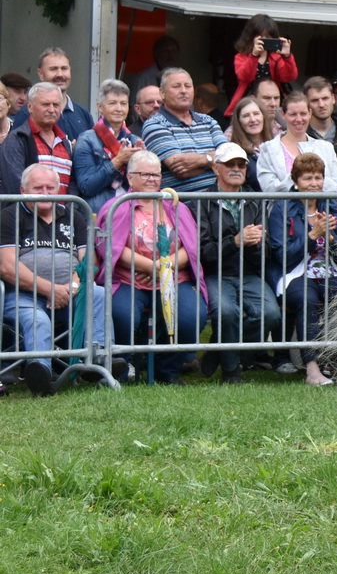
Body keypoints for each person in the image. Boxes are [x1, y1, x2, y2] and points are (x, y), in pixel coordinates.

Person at [2, 163, 118, 395]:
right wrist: (49, 289)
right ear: (23, 190)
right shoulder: (8, 216)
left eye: (50, 187)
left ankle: (99, 362)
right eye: (38, 188)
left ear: (59, 190)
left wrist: (71, 287)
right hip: (23, 295)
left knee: (97, 293)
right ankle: (41, 375)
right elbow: (7, 267)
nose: (45, 193)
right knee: (38, 320)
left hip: (69, 294)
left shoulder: (73, 214)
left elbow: (90, 262)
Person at [96, 151, 208, 384]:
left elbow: (192, 245)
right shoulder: (116, 206)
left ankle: (166, 370)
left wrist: (164, 268)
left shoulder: (175, 205)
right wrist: (151, 267)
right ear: (129, 177)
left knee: (192, 316)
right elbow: (109, 245)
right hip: (129, 278)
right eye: (144, 174)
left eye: (156, 175)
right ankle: (124, 366)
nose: (151, 180)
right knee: (121, 314)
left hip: (175, 277)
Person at [199, 143, 283, 383]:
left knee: (270, 314)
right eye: (230, 164)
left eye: (241, 165)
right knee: (226, 312)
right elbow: (203, 252)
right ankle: (231, 371)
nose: (237, 169)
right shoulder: (201, 201)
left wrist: (257, 244)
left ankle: (220, 347)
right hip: (215, 274)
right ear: (216, 168)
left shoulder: (255, 201)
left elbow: (264, 255)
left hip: (249, 273)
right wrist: (235, 241)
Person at [268, 154, 337, 386]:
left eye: (318, 177)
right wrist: (313, 235)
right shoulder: (282, 208)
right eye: (307, 178)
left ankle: (335, 360)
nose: (313, 183)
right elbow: (282, 255)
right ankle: (312, 369)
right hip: (295, 271)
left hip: (329, 269)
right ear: (296, 181)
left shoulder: (333, 206)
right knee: (307, 298)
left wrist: (331, 237)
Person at [141, 68, 225, 193]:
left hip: (218, 206)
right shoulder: (154, 124)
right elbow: (181, 170)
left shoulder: (208, 121)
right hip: (181, 207)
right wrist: (213, 161)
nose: (184, 91)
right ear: (162, 93)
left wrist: (203, 159)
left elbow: (228, 157)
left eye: (188, 86)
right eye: (176, 86)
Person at [72, 80, 144, 213]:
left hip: (131, 213)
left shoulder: (134, 140)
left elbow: (143, 187)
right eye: (112, 103)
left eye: (123, 103)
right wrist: (118, 161)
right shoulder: (87, 140)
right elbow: (86, 186)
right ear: (100, 107)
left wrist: (142, 166)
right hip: (99, 214)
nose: (119, 108)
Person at [257, 91, 337, 193]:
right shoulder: (268, 149)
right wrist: (299, 176)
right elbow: (269, 189)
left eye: (303, 114)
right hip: (284, 209)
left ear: (310, 113)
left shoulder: (326, 148)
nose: (299, 119)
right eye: (293, 114)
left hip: (321, 209)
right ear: (283, 114)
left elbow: (336, 189)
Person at [0, 83, 72, 195]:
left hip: (62, 212)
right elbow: (16, 187)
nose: (52, 110)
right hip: (29, 212)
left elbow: (73, 185)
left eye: (56, 105)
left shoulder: (65, 142)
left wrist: (68, 211)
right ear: (30, 107)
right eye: (45, 104)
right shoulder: (17, 140)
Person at [227, 14, 298, 116]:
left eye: (268, 37)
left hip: (273, 104)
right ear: (251, 37)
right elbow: (244, 76)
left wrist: (287, 56)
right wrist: (254, 55)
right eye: (260, 36)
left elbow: (289, 76)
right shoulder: (241, 56)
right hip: (247, 102)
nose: (264, 40)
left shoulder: (276, 57)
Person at [36, 47, 94, 140]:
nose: (60, 74)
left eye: (64, 69)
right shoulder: (29, 113)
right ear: (41, 74)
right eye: (53, 69)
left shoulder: (83, 114)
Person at [225, 96, 271, 189]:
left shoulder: (274, 146)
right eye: (246, 116)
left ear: (263, 116)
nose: (253, 119)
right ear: (239, 122)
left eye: (256, 114)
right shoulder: (235, 153)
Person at [304, 77, 337, 145]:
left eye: (325, 98)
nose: (321, 105)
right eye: (315, 100)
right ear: (306, 103)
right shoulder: (300, 134)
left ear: (333, 99)